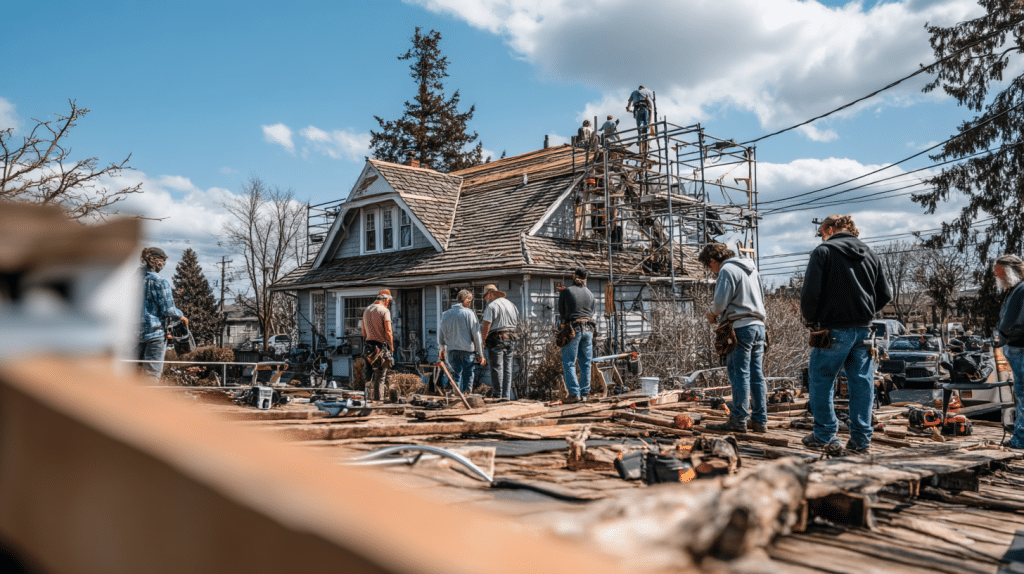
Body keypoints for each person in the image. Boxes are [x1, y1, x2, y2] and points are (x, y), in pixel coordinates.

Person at [800, 215, 892, 454]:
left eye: (821, 232)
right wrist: (866, 312)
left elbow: (810, 293)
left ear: (830, 229)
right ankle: (861, 438)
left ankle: (825, 433)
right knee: (862, 383)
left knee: (821, 379)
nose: (821, 236)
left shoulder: (823, 252)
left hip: (832, 329)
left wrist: (811, 320)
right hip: (864, 329)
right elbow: (885, 294)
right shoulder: (870, 254)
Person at [698, 243, 768, 434]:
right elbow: (762, 297)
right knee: (756, 374)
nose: (712, 271)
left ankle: (738, 419)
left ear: (713, 260)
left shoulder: (727, 269)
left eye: (710, 266)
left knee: (740, 373)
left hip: (740, 327)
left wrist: (711, 313)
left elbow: (720, 304)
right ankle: (760, 420)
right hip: (758, 325)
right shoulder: (751, 268)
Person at [138, 247, 187, 379]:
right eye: (163, 261)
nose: (164, 265)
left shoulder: (129, 280)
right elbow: (169, 310)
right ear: (155, 261)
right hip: (155, 335)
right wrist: (181, 316)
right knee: (151, 375)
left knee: (131, 376)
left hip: (132, 335)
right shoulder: (160, 282)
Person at [993, 254, 1024, 448]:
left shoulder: (1020, 290)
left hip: (1020, 347)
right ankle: (1020, 433)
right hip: (1016, 346)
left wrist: (1005, 332)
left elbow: (1010, 322)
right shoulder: (1015, 290)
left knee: (1022, 395)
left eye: (1000, 272)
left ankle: (1021, 439)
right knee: (1020, 394)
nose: (998, 277)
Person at [558, 267, 596, 404]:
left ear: (574, 276)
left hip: (573, 329)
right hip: (589, 329)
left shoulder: (566, 291)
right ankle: (585, 393)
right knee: (585, 363)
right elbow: (592, 312)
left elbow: (562, 314)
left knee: (569, 362)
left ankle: (574, 393)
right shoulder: (590, 294)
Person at [439, 289, 485, 395]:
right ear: (466, 300)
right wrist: (480, 353)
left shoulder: (445, 314)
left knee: (455, 375)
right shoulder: (469, 314)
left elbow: (441, 334)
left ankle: (457, 397)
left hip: (452, 350)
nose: (470, 303)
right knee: (468, 374)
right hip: (467, 350)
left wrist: (441, 348)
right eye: (469, 301)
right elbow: (476, 334)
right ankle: (467, 396)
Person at [480, 284, 520, 400]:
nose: (486, 299)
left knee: (497, 368)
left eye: (487, 296)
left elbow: (486, 324)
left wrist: (483, 341)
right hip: (511, 337)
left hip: (497, 339)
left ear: (491, 294)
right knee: (507, 369)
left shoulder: (492, 306)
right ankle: (506, 396)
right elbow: (516, 321)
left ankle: (498, 396)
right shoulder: (511, 305)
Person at [361, 289, 394, 402]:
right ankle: (378, 401)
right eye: (388, 301)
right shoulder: (384, 311)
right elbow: (388, 332)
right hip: (380, 347)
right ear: (385, 299)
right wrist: (391, 346)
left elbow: (363, 333)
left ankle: (367, 399)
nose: (388, 303)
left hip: (368, 347)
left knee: (368, 376)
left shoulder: (366, 310)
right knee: (380, 377)